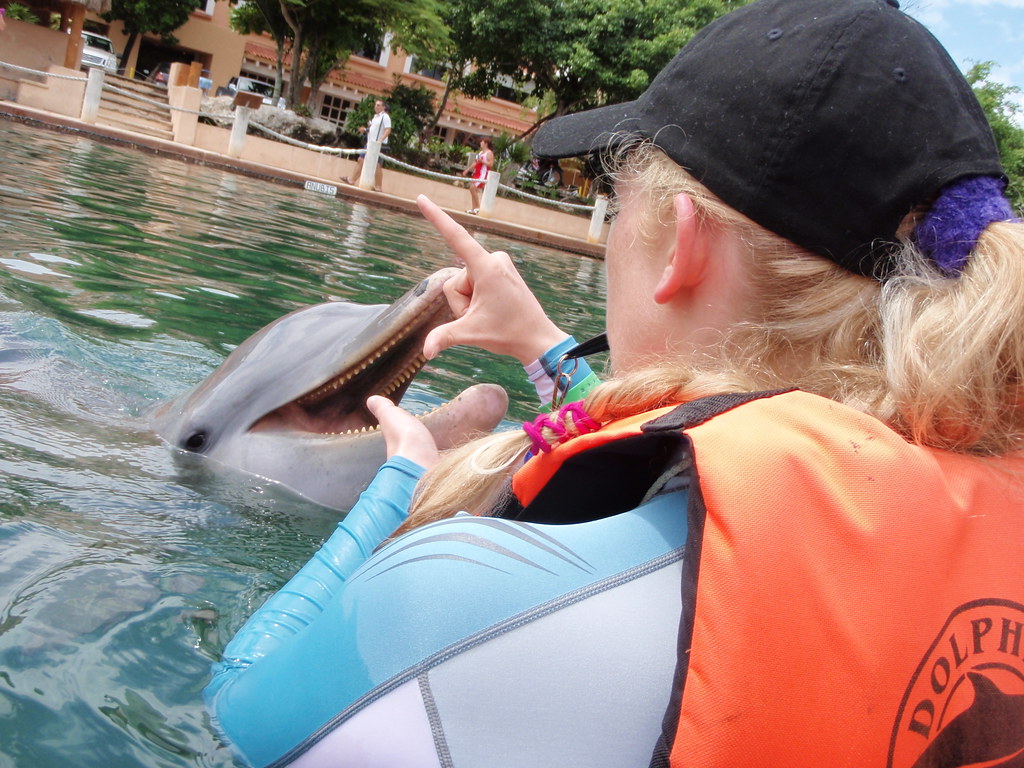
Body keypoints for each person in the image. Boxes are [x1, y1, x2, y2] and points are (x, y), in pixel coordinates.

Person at [205, 0, 1024, 766]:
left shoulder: (457, 600)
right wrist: (545, 348)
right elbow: (722, 477)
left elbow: (239, 709)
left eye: (618, 199)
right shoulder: (977, 493)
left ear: (681, 247)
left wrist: (399, 486)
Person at [343, 99, 391, 192]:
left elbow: (388, 130)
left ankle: (378, 187)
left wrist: (380, 140)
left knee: (377, 165)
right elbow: (373, 130)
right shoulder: (375, 117)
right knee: (361, 160)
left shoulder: (385, 117)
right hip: (370, 143)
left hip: (378, 145)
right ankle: (352, 180)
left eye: (378, 105)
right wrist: (365, 130)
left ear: (383, 107)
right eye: (375, 105)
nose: (376, 106)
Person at [462, 136, 494, 214]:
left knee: (472, 188)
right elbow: (475, 162)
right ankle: (473, 209)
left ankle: (478, 207)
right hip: (477, 173)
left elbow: (490, 164)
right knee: (473, 190)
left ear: (486, 144)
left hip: (483, 174)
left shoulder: (489, 153)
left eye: (482, 142)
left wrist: (482, 161)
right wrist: (467, 170)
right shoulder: (480, 153)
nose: (480, 143)